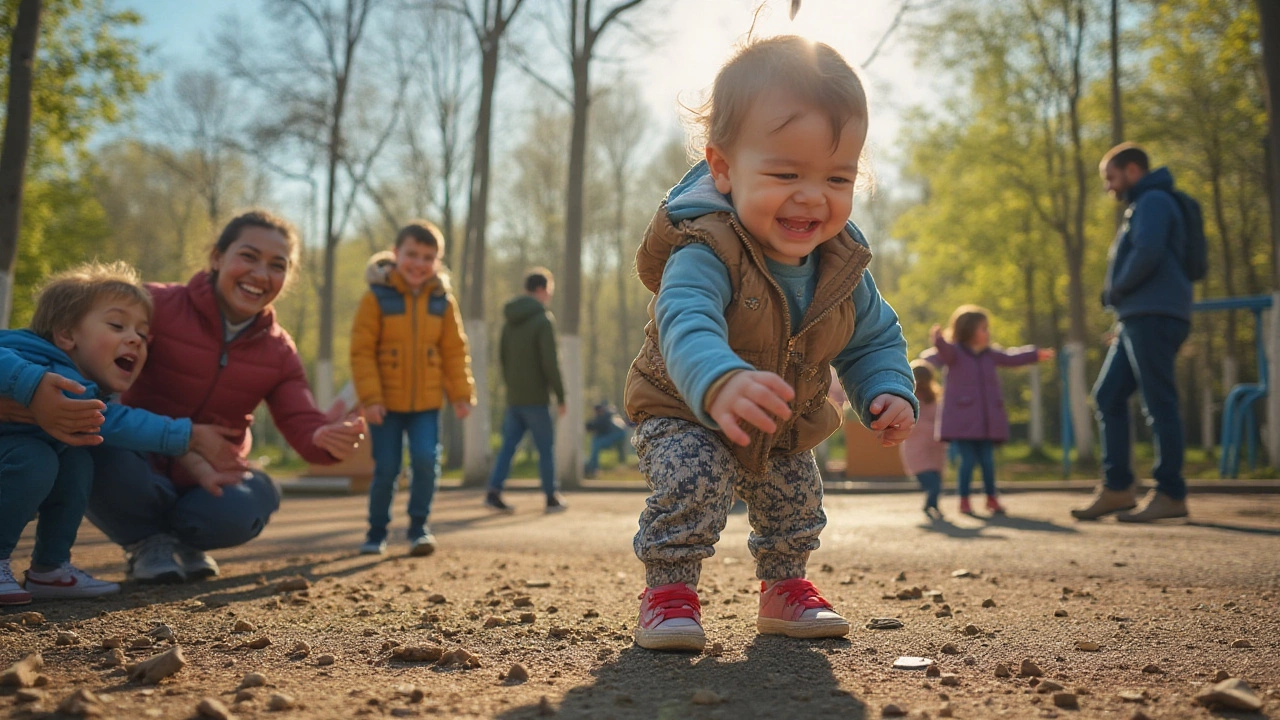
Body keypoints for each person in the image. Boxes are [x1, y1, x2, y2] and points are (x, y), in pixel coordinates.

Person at [625, 36, 917, 653]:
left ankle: (785, 588)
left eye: (837, 177)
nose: (813, 196)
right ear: (725, 169)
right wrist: (719, 378)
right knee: (693, 480)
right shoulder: (705, 248)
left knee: (796, 498)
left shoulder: (842, 268)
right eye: (786, 173)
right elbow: (686, 320)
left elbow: (873, 339)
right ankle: (670, 591)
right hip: (684, 408)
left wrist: (888, 389)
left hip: (782, 420)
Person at [60, 210, 361, 583]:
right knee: (91, 438)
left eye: (277, 265)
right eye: (248, 256)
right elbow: (86, 353)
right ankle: (146, 542)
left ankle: (187, 540)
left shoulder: (280, 350)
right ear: (217, 257)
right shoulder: (155, 305)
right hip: (134, 465)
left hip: (210, 476)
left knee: (258, 495)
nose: (260, 275)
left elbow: (302, 420)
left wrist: (322, 437)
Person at [0, 263, 240, 604]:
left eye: (142, 334)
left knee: (78, 464)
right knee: (35, 459)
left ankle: (50, 569)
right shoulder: (30, 354)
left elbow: (109, 417)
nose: (135, 339)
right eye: (117, 325)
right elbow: (114, 420)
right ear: (66, 334)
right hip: (15, 455)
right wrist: (31, 385)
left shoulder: (85, 384)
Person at [1072, 143, 1193, 523]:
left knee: (1159, 403)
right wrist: (1121, 316)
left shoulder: (1154, 201)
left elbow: (1149, 251)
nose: (1109, 187)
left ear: (1133, 171)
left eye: (1111, 177)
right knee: (1107, 396)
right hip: (1136, 317)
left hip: (1153, 315)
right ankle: (1118, 488)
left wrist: (1116, 291)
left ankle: (1171, 492)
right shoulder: (1142, 205)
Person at [350, 221, 475, 557]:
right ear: (395, 254)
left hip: (426, 403)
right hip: (384, 405)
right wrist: (370, 399)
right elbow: (361, 352)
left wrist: (461, 394)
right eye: (412, 254)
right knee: (387, 467)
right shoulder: (376, 297)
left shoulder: (442, 301)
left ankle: (419, 527)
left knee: (424, 459)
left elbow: (454, 351)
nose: (418, 263)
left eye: (427, 257)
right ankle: (377, 531)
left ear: (437, 261)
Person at [930, 306, 1053, 516]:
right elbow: (941, 353)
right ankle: (964, 500)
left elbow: (1012, 357)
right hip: (963, 422)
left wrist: (1034, 354)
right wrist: (939, 340)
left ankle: (991, 498)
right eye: (983, 328)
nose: (988, 333)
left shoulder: (990, 355)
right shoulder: (955, 354)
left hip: (986, 421)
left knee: (987, 461)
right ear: (968, 330)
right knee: (967, 462)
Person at [485, 268, 567, 514]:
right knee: (545, 448)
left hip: (514, 398)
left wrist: (511, 387)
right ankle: (551, 497)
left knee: (508, 447)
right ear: (541, 290)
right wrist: (561, 396)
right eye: (549, 290)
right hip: (537, 399)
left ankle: (493, 491)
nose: (549, 296)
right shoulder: (543, 320)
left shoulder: (509, 321)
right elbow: (549, 362)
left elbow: (502, 358)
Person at [900, 360, 946, 520]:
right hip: (917, 449)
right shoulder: (907, 398)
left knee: (937, 483)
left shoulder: (934, 399)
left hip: (935, 449)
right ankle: (930, 505)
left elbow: (940, 420)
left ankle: (933, 504)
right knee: (933, 484)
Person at [583, 402, 630, 478]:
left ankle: (593, 468)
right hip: (615, 438)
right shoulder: (606, 416)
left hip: (614, 438)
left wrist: (586, 427)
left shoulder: (606, 417)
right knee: (595, 441)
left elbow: (597, 425)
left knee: (596, 443)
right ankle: (592, 467)